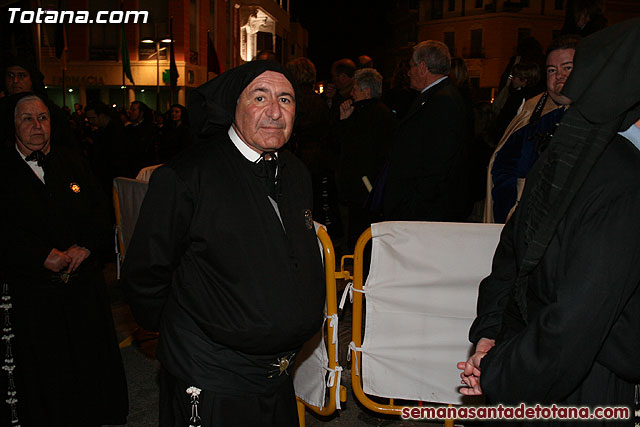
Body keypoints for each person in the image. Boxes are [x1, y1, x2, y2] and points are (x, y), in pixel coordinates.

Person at [122, 60, 325, 426]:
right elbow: (146, 271)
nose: (275, 112)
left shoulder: (295, 171)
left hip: (277, 375)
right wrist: (180, 336)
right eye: (260, 97)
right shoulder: (186, 176)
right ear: (234, 105)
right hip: (211, 375)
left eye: (286, 99)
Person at [459, 18, 640, 423]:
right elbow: (571, 318)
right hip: (581, 381)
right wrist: (496, 362)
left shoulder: (571, 154)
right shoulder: (623, 181)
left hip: (538, 360)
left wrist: (492, 342)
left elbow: (512, 254)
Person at [0, 93, 128, 425]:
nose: (36, 126)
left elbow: (100, 211)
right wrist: (40, 256)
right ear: (12, 124)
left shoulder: (71, 160)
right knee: (47, 366)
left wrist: (86, 247)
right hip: (33, 289)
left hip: (82, 284)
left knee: (87, 359)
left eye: (42, 118)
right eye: (27, 118)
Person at [484, 34, 581, 223]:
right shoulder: (533, 112)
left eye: (567, 67)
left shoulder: (605, 115)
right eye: (552, 70)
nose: (559, 75)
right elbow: (503, 168)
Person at [382, 40, 472, 222]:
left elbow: (438, 162)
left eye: (411, 66)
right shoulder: (436, 96)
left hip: (426, 210)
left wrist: (412, 204)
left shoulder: (442, 101)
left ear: (422, 67)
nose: (408, 72)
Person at [336, 68, 397, 249]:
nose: (351, 93)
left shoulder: (362, 115)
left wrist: (344, 121)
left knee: (360, 239)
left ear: (366, 91)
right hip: (374, 188)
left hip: (363, 189)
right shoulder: (385, 114)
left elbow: (348, 149)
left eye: (355, 89)